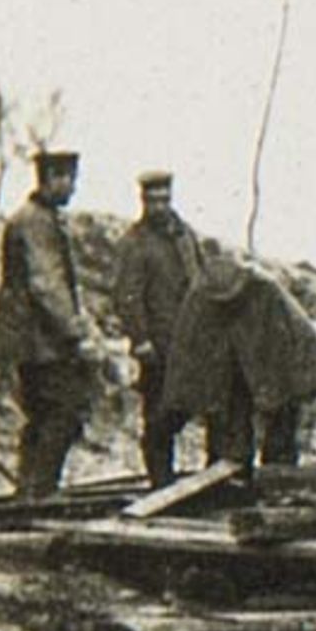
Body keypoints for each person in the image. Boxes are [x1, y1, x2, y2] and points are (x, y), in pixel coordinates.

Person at [162, 253, 316, 475]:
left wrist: (313, 385)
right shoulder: (198, 298)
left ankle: (278, 480)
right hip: (225, 370)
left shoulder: (267, 290)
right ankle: (228, 481)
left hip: (270, 363)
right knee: (227, 439)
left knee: (280, 429)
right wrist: (180, 400)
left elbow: (302, 338)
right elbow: (185, 350)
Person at [0, 149, 99, 498]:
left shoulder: (34, 217)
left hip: (30, 340)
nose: (73, 188)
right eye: (69, 180)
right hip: (41, 341)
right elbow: (46, 283)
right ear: (54, 179)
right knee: (66, 409)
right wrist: (75, 332)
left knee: (41, 414)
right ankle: (41, 490)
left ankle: (29, 491)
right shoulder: (36, 222)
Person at [111, 170, 203, 486]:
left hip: (190, 341)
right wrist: (140, 339)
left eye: (164, 199)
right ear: (143, 201)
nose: (159, 207)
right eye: (153, 200)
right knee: (159, 414)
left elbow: (200, 281)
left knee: (189, 405)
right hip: (158, 344)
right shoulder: (135, 243)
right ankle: (161, 480)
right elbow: (127, 296)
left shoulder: (185, 236)